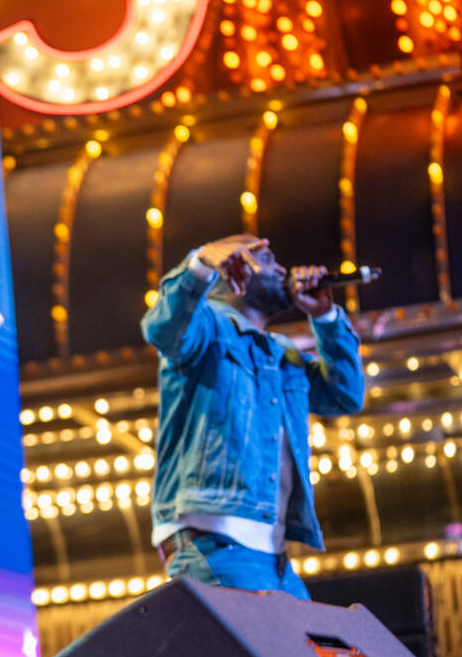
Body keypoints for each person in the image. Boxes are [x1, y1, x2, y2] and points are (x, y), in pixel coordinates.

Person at [140, 235, 364, 598]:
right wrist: (199, 264)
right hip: (214, 544)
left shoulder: (283, 354)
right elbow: (161, 329)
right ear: (235, 272)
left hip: (272, 558)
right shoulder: (207, 327)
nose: (282, 270)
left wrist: (325, 317)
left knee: (310, 653)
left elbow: (346, 395)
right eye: (269, 259)